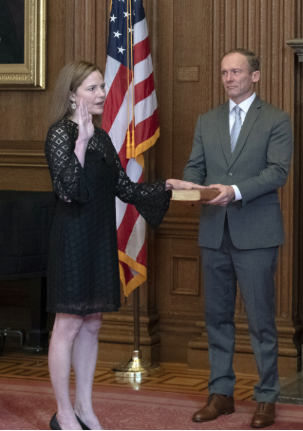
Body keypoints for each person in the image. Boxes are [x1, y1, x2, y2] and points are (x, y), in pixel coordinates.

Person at [44, 61, 205, 430]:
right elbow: (71, 190)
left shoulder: (102, 137)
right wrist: (80, 142)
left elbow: (126, 189)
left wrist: (165, 185)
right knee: (67, 324)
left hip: (99, 237)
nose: (101, 93)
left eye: (102, 86)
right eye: (92, 88)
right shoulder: (60, 135)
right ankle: (64, 413)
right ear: (72, 95)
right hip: (71, 240)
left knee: (93, 323)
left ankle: (85, 408)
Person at [183, 48, 292, 428]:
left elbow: (278, 172)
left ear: (255, 76)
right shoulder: (207, 120)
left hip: (256, 233)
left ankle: (266, 397)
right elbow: (195, 167)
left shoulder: (276, 119)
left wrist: (235, 190)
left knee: (262, 320)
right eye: (225, 72)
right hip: (214, 232)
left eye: (237, 72)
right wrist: (187, 185)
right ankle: (221, 394)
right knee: (216, 318)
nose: (229, 78)